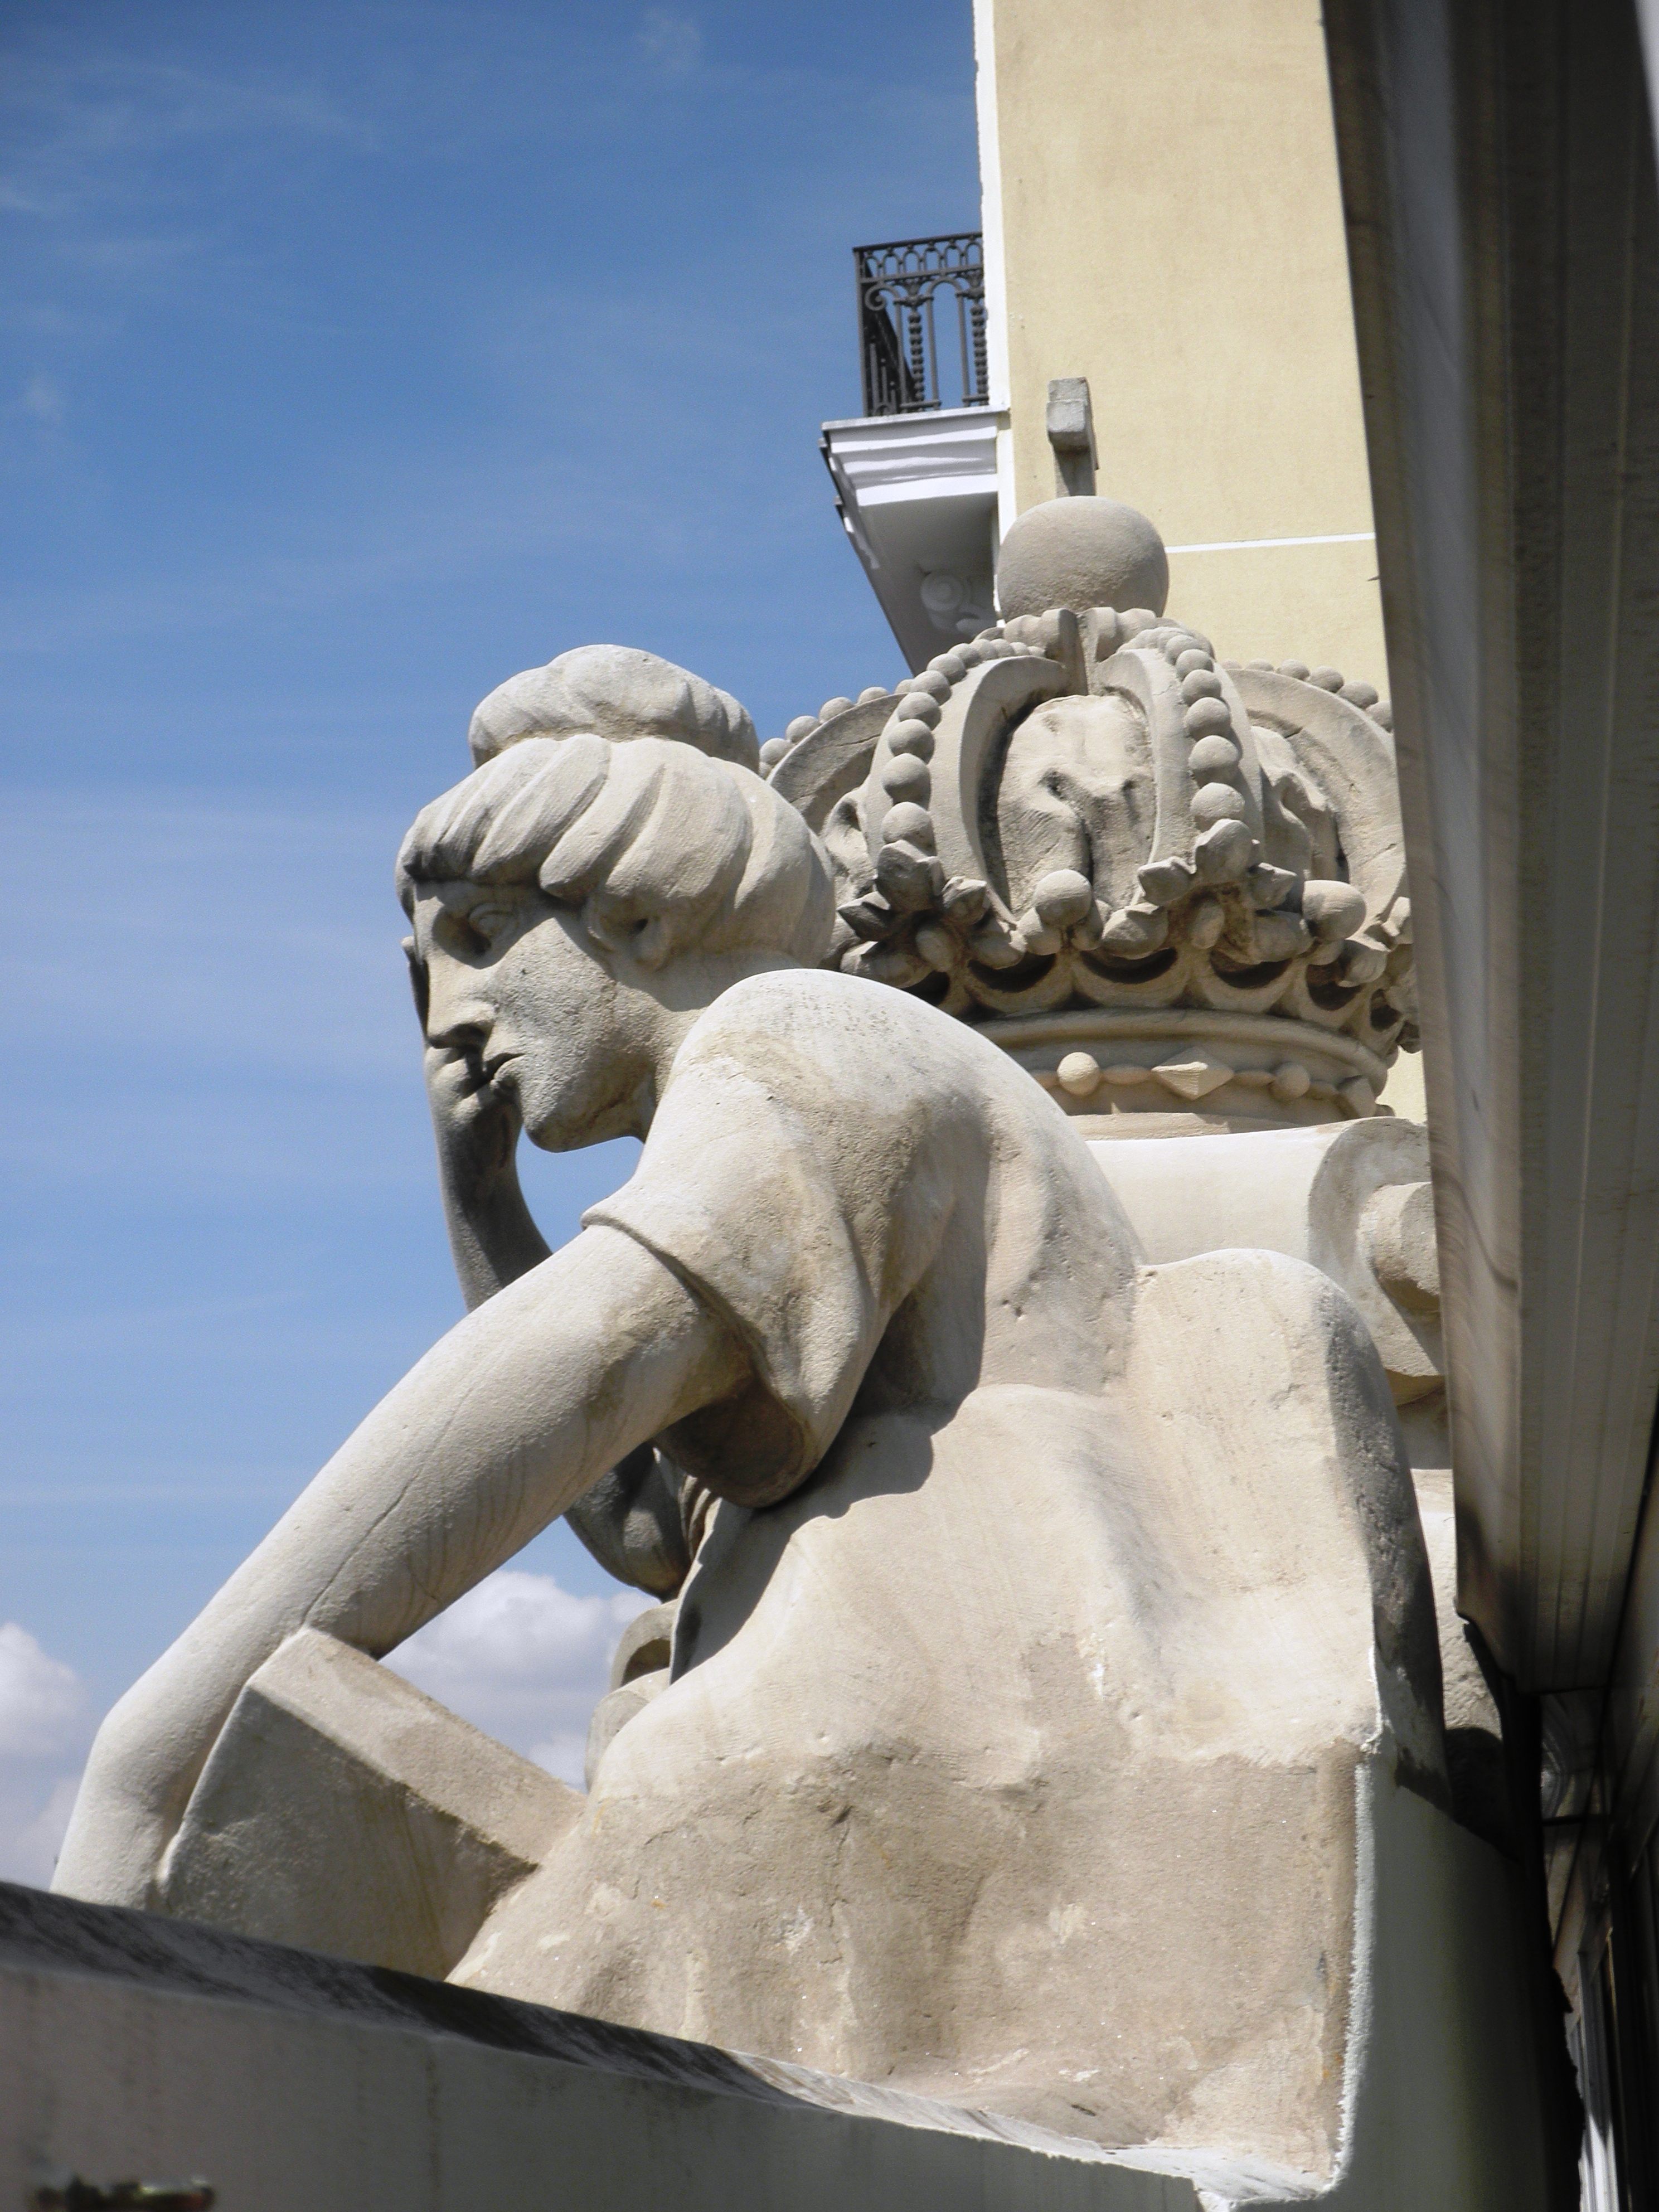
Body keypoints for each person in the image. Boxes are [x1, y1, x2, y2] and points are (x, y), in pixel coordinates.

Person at [54, 715, 1444, 2156]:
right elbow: (653, 1530)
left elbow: (588, 1353)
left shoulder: (803, 1035)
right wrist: (481, 1200)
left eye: (479, 938)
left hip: (913, 1736)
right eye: (425, 975)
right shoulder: (760, 1125)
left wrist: (157, 1746)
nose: (445, 1019)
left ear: (642, 913)